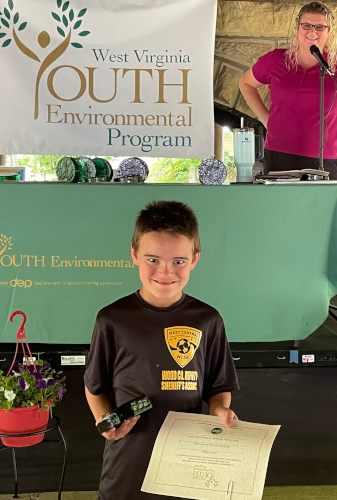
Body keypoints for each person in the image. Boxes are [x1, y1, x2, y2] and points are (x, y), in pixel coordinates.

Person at [84, 200, 240, 500]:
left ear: (194, 259)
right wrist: (105, 422)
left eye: (178, 261)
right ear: (134, 255)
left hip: (187, 463)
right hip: (127, 465)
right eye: (153, 259)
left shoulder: (208, 319)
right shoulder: (112, 319)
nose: (165, 272)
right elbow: (94, 387)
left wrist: (220, 409)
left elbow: (218, 387)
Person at [239, 1, 337, 180]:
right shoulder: (275, 60)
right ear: (297, 28)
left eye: (320, 27)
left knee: (321, 208)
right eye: (307, 25)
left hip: (325, 158)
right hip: (279, 154)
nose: (312, 32)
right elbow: (246, 83)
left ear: (329, 31)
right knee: (281, 208)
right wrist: (265, 118)